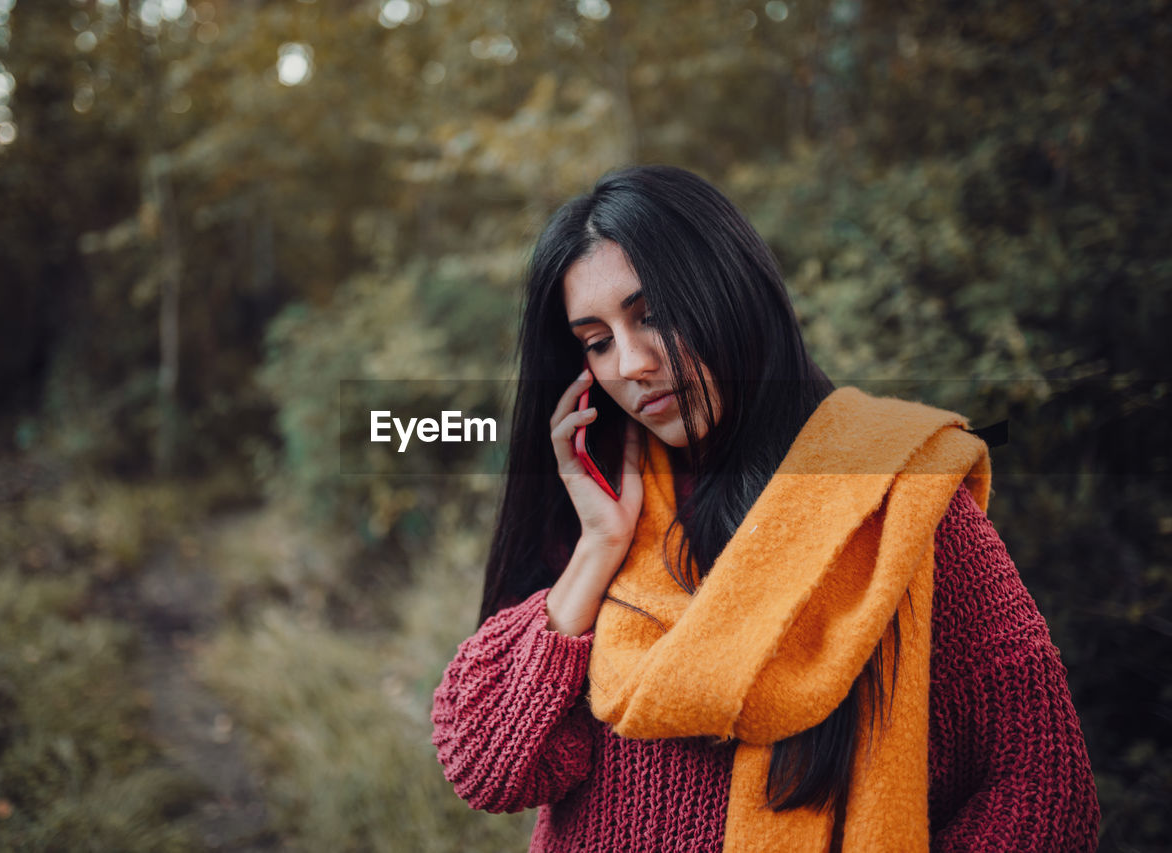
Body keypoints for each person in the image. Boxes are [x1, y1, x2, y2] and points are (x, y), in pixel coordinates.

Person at [431, 165, 1099, 851]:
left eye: (653, 314)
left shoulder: (892, 500)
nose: (630, 362)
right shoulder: (598, 512)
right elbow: (485, 764)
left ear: (731, 289)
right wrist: (598, 546)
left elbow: (1042, 787)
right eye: (597, 342)